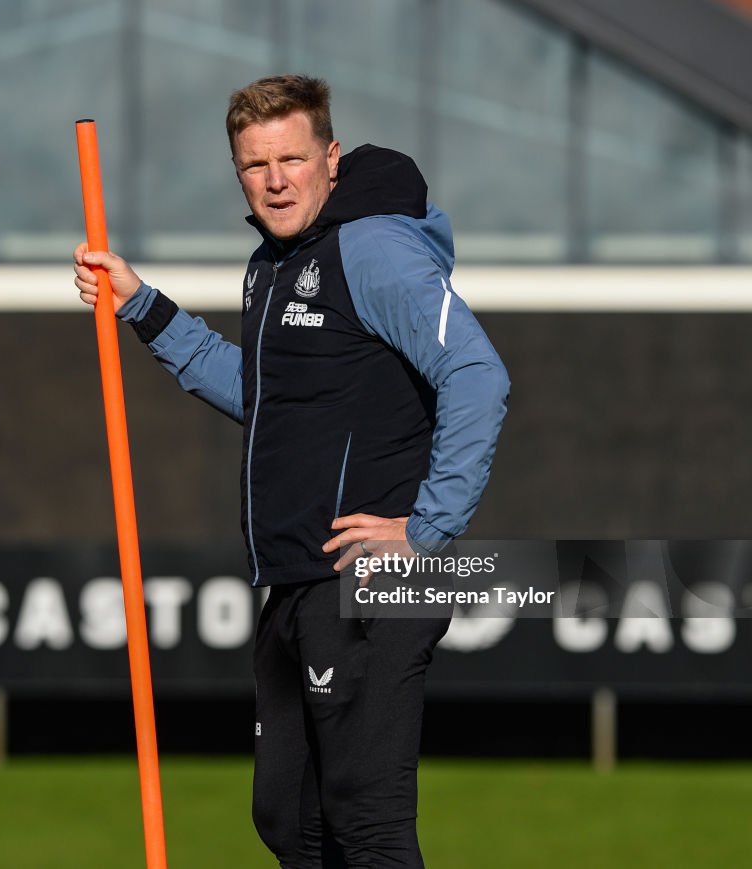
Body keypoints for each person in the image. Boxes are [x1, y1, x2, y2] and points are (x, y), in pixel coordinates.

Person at [74, 75, 510, 868]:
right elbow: (266, 395)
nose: (275, 180)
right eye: (254, 164)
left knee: (366, 823)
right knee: (289, 821)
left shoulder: (373, 246)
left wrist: (428, 528)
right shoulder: (271, 264)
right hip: (294, 576)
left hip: (374, 580)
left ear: (330, 159)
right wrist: (143, 306)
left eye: (293, 159)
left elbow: (479, 375)